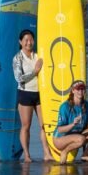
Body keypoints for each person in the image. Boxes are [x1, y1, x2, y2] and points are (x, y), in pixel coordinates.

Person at [12, 29, 51, 162]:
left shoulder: (38, 55)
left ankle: (47, 153)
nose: (29, 43)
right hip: (25, 93)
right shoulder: (17, 58)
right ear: (20, 42)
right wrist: (35, 72)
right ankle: (27, 155)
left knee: (44, 125)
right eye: (26, 40)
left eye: (31, 40)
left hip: (40, 93)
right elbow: (19, 78)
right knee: (26, 126)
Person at [52, 80, 88, 164]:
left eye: (83, 89)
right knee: (81, 139)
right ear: (73, 91)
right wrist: (73, 124)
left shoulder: (86, 105)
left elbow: (87, 128)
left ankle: (85, 154)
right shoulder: (65, 106)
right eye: (78, 89)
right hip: (60, 139)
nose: (80, 91)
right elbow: (60, 129)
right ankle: (65, 151)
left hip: (78, 135)